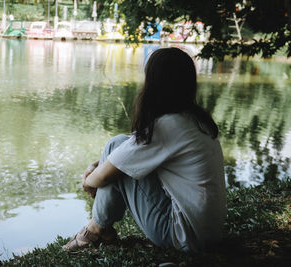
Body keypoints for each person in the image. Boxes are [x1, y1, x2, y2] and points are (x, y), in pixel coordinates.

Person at [63, 47, 226, 252]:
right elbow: (132, 147)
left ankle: (95, 229)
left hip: (180, 236)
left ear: (154, 84)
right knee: (121, 147)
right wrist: (100, 165)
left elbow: (100, 178)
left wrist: (88, 180)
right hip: (207, 233)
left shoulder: (166, 127)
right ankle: (99, 227)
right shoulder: (195, 120)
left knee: (116, 145)